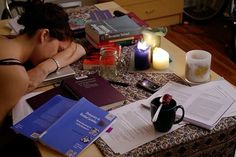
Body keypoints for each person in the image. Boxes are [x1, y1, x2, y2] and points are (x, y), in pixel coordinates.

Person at [0, 1, 86, 124]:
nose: (56, 55)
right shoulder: (15, 75)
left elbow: (77, 48)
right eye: (58, 50)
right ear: (44, 35)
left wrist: (46, 66)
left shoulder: (3, 39)